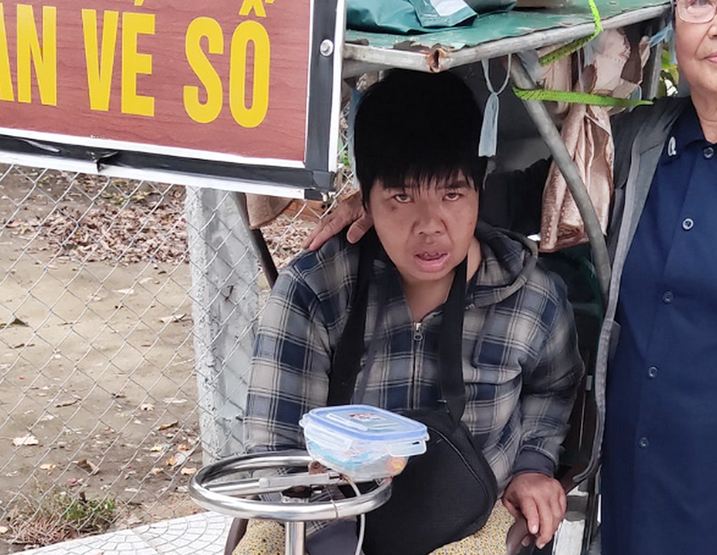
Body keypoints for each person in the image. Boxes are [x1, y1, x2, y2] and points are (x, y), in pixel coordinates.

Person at [303, 0, 717, 555]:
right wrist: (389, 196)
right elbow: (517, 201)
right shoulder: (635, 143)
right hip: (635, 488)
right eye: (699, 2)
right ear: (672, 23)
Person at [242, 69, 582, 554]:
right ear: (364, 199)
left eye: (451, 195)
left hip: (476, 525)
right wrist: (329, 531)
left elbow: (555, 387)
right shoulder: (314, 291)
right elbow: (274, 449)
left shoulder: (531, 297)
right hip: (335, 518)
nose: (430, 227)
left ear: (480, 190)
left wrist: (532, 466)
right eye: (401, 197)